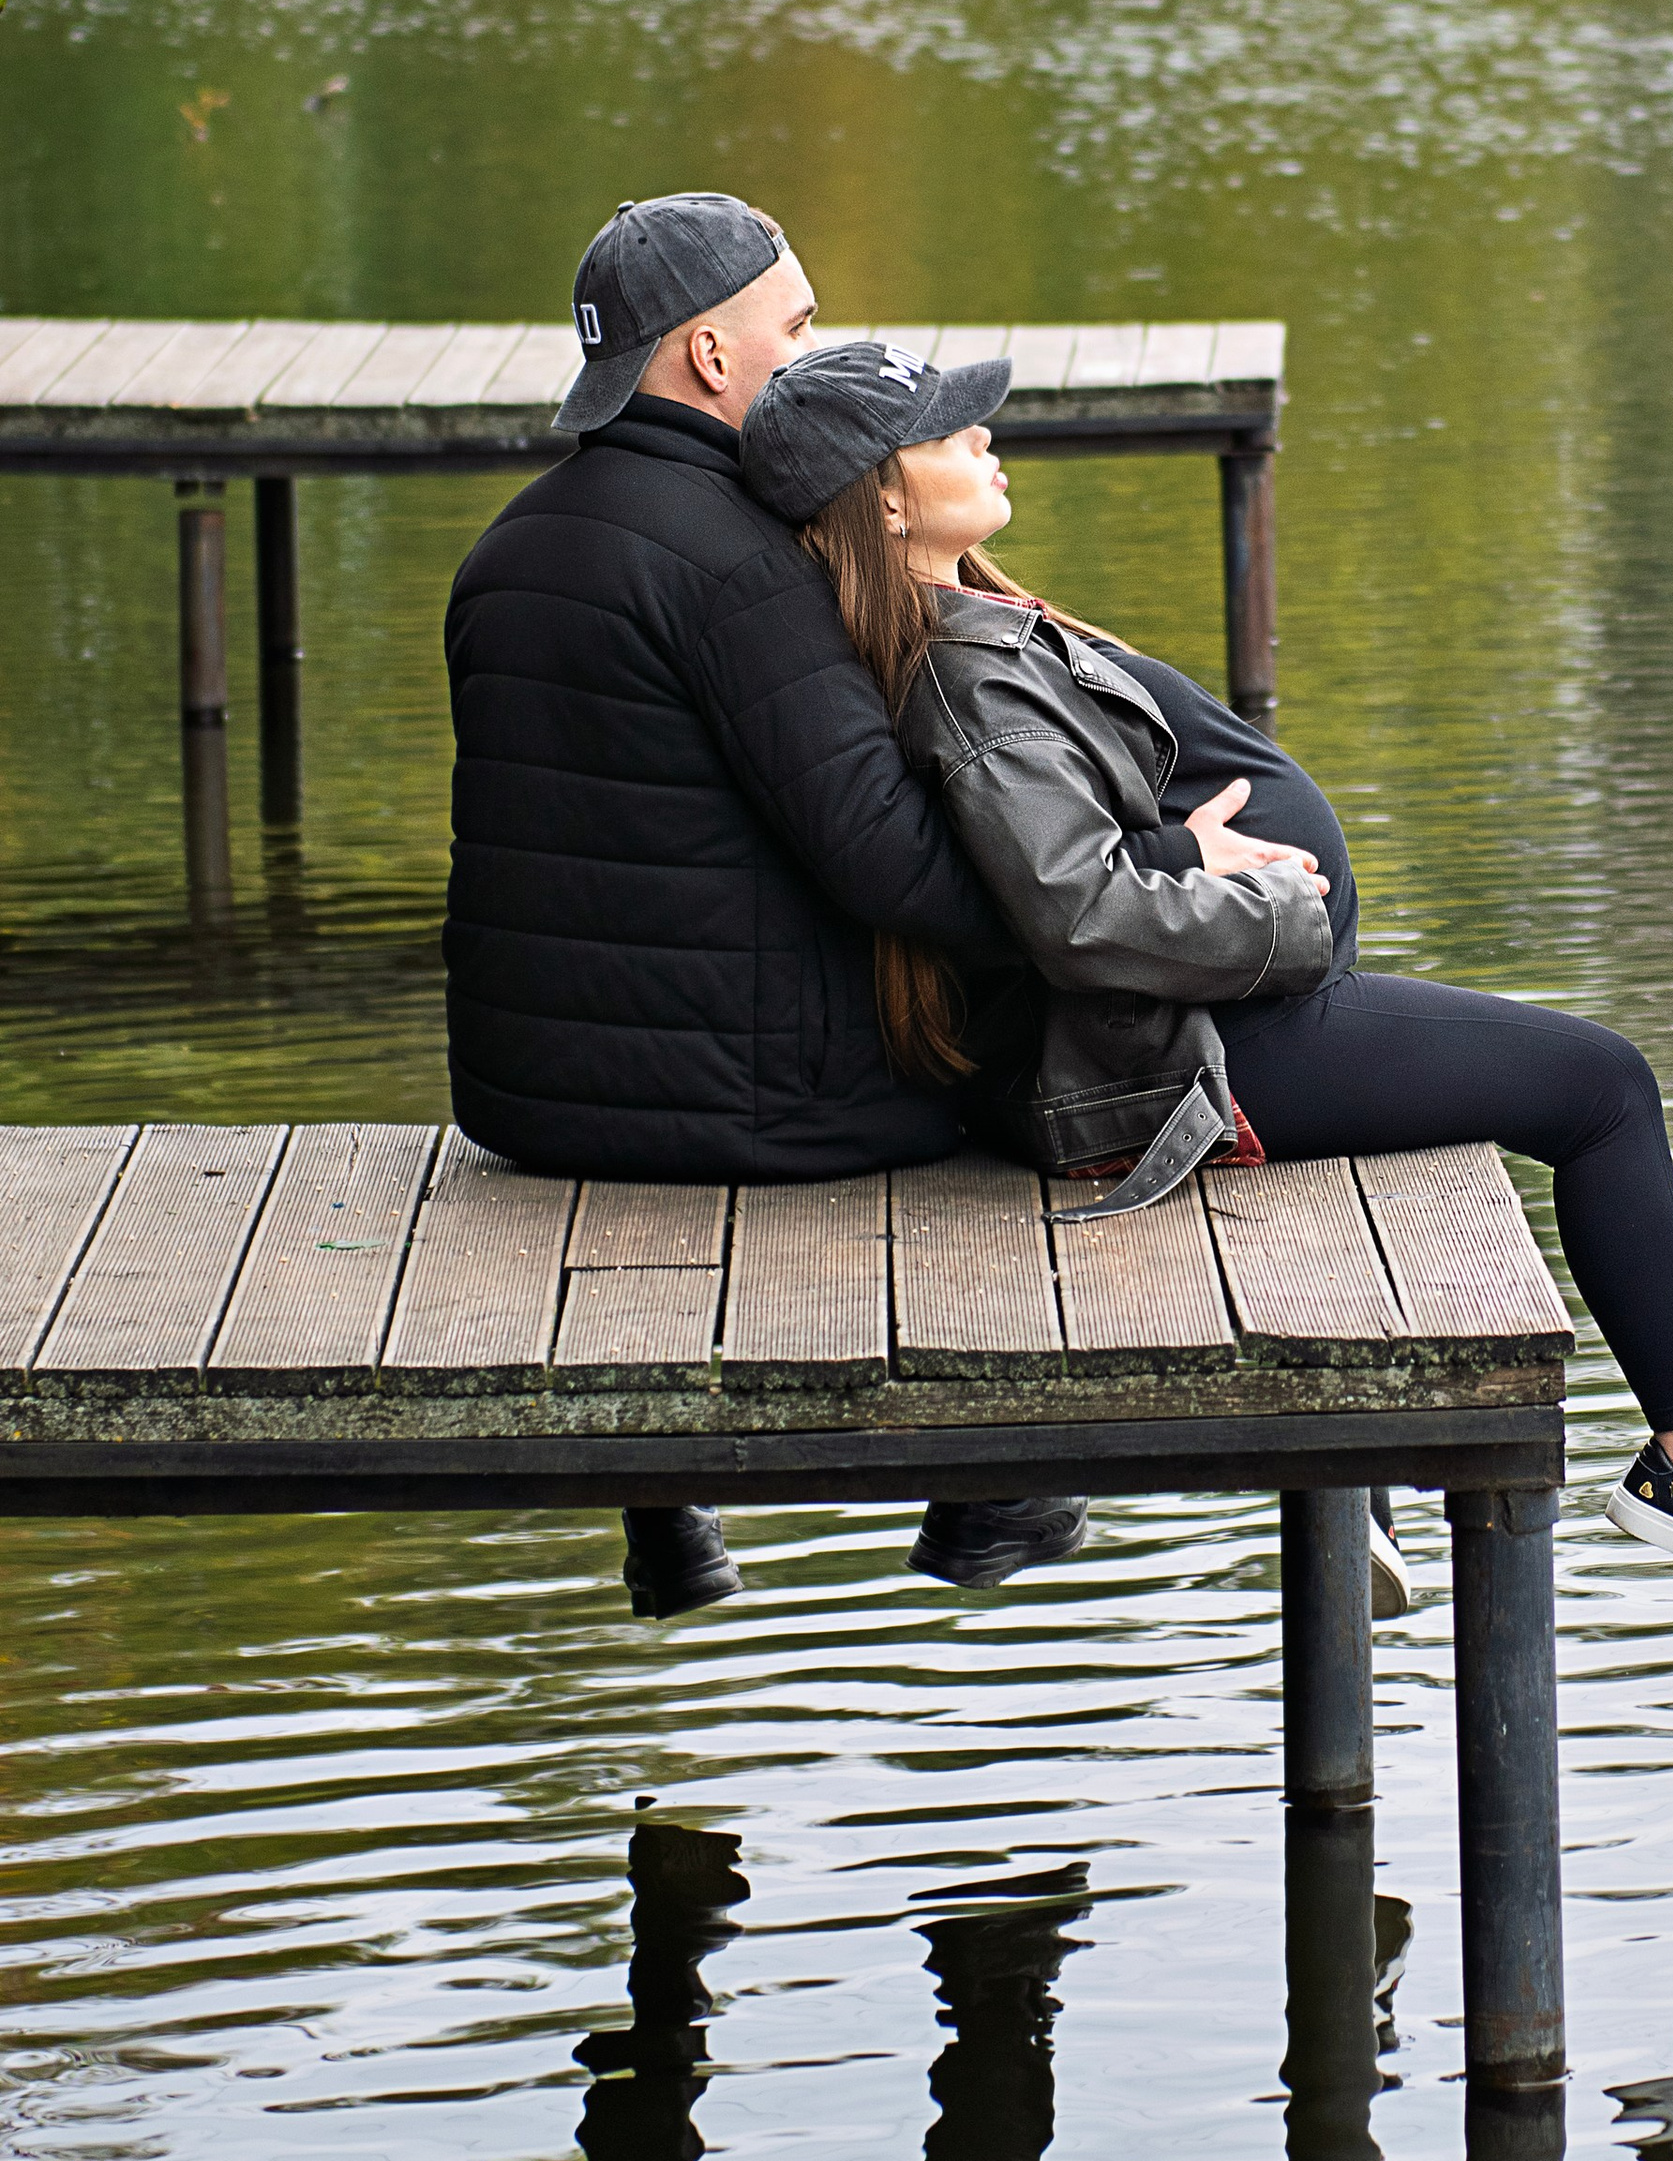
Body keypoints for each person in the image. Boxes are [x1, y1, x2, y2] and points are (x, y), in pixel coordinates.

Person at [739, 343, 1673, 1604]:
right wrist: (1281, 909)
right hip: (1201, 1054)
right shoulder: (963, 674)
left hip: (1222, 1021)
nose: (987, 437)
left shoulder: (975, 621)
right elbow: (1077, 913)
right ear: (883, 498)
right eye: (950, 433)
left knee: (1452, 1105)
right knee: (1602, 1089)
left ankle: (1367, 1478)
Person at [444, 194, 1334, 1610]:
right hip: (746, 1115)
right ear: (713, 360)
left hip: (525, 1099)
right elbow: (893, 863)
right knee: (1009, 1033)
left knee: (753, 948)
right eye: (791, 331)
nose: (806, 354)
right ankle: (1005, 1479)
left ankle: (666, 1508)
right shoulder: (737, 565)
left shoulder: (505, 549)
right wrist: (1155, 871)